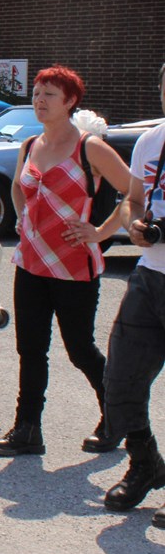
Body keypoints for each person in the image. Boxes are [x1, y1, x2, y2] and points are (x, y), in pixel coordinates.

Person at [0, 65, 131, 458]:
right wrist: (22, 218)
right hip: (30, 261)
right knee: (30, 348)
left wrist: (99, 234)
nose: (39, 100)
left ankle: (117, 418)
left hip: (73, 266)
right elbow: (19, 186)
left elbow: (135, 191)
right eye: (36, 92)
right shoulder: (30, 144)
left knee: (80, 349)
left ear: (70, 102)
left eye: (49, 94)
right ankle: (27, 430)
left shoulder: (90, 148)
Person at [101, 62, 165, 520]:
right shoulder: (151, 140)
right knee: (120, 380)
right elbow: (134, 201)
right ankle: (145, 464)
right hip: (150, 275)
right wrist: (134, 226)